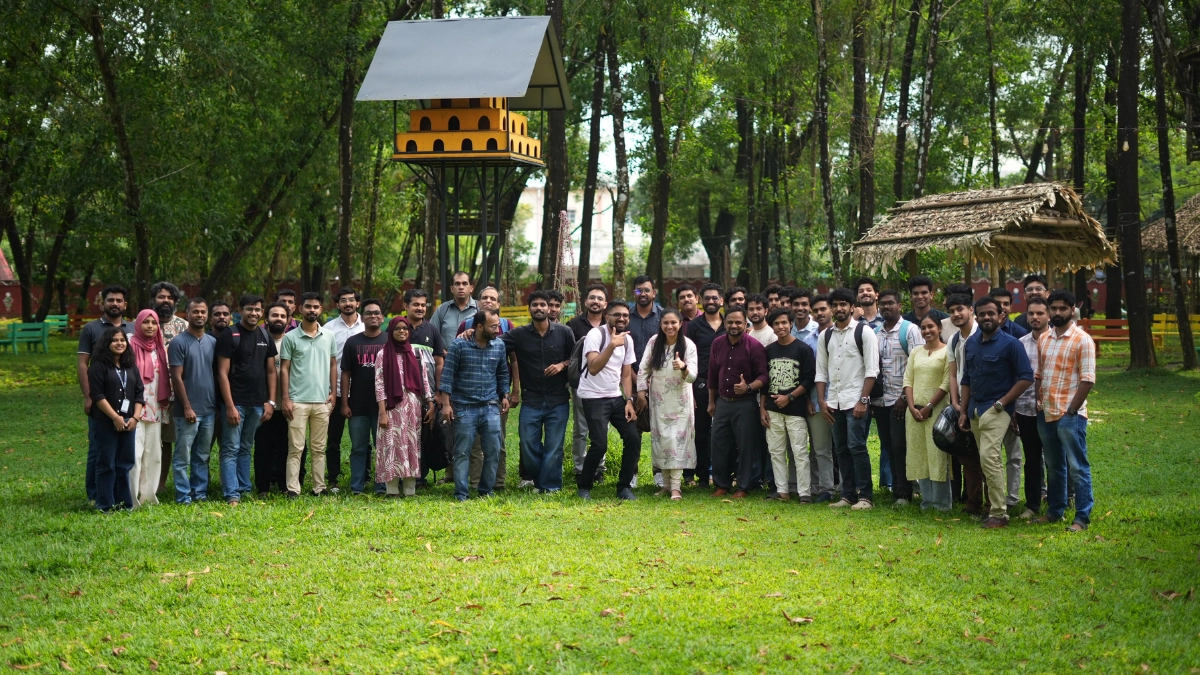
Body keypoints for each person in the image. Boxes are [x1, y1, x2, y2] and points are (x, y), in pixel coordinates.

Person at [958, 296, 1034, 529]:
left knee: (989, 458)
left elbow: (1026, 378)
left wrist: (1002, 403)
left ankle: (999, 514)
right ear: (976, 316)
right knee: (986, 459)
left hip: (997, 409)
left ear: (1001, 316)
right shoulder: (970, 344)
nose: (986, 318)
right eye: (982, 314)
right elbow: (967, 380)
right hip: (975, 410)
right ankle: (992, 509)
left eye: (992, 313)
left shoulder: (1012, 344)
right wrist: (963, 411)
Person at [1035, 290, 1096, 532]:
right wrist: (1039, 400)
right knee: (1054, 465)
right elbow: (1039, 373)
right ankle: (1055, 511)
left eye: (1063, 308)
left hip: (1070, 415)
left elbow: (1088, 379)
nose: (1058, 312)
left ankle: (1082, 517)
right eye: (1054, 308)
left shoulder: (1082, 339)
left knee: (1077, 466)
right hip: (1046, 412)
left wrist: (1071, 410)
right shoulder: (1044, 339)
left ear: (1072, 309)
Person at [504, 291, 576, 492]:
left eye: (543, 305)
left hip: (558, 399)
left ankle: (550, 486)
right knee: (527, 444)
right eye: (534, 304)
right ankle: (540, 479)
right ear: (529, 309)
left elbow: (576, 358)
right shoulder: (519, 335)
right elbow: (494, 343)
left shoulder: (564, 332)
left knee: (554, 447)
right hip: (532, 399)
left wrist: (562, 364)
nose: (539, 308)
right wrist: (470, 333)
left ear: (549, 308)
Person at [816, 287, 879, 510]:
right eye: (836, 305)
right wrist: (822, 401)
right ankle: (848, 495)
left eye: (844, 304)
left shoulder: (864, 332)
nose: (839, 308)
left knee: (857, 447)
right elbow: (821, 372)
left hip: (856, 401)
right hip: (834, 402)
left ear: (853, 307)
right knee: (841, 449)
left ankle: (866, 496)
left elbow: (872, 370)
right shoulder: (826, 336)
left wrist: (863, 400)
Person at [439, 309, 510, 501]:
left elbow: (503, 372)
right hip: (464, 407)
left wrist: (505, 394)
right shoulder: (459, 345)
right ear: (479, 327)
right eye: (493, 326)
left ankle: (486, 490)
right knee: (462, 452)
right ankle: (461, 493)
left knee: (493, 450)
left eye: (498, 325)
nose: (498, 329)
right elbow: (447, 376)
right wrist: (446, 404)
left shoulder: (499, 345)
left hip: (490, 406)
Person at [214, 295, 277, 505]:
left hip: (258, 404)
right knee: (231, 448)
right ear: (240, 310)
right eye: (249, 309)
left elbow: (270, 371)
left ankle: (244, 488)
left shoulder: (265, 335)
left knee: (245, 447)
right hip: (235, 403)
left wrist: (271, 402)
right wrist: (230, 406)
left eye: (258, 310)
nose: (254, 313)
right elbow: (222, 373)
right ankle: (232, 494)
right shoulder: (229, 334)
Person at [77, 285, 136, 503]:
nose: (115, 304)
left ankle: (119, 496)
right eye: (110, 300)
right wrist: (88, 395)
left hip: (126, 402)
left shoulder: (132, 328)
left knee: (122, 454)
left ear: (125, 304)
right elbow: (83, 365)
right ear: (103, 303)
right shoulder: (91, 328)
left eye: (119, 300)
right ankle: (95, 495)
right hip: (100, 400)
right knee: (99, 448)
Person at [576, 302, 639, 500]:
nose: (622, 318)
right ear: (607, 316)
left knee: (633, 438)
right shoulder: (596, 335)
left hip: (615, 397)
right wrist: (611, 345)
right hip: (593, 397)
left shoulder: (627, 340)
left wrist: (628, 400)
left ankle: (624, 487)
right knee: (600, 444)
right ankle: (584, 486)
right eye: (617, 315)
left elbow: (626, 375)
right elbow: (593, 367)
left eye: (625, 315)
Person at [455, 286, 515, 491]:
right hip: (468, 397)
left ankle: (497, 483)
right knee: (474, 445)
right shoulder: (466, 325)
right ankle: (474, 483)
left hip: (496, 394)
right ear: (478, 302)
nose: (488, 301)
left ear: (499, 304)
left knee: (498, 442)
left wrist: (511, 391)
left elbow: (512, 360)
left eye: (493, 298)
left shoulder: (507, 325)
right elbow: (456, 355)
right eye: (484, 298)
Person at [280, 292, 338, 498]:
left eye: (315, 307)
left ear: (320, 309)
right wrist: (286, 398)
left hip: (322, 401)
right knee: (296, 448)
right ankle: (293, 489)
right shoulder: (290, 337)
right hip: (297, 402)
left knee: (319, 448)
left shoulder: (329, 336)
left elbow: (333, 364)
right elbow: (284, 368)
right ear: (300, 309)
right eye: (308, 307)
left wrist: (334, 393)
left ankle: (319, 487)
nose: (312, 310)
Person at [707, 306, 769, 498]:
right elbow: (712, 374)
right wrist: (711, 401)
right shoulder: (717, 343)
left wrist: (749, 387)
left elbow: (764, 376)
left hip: (746, 403)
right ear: (724, 323)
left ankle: (743, 487)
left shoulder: (754, 346)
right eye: (730, 322)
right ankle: (722, 484)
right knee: (718, 444)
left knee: (746, 446)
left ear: (745, 324)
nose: (734, 326)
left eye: (738, 322)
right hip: (722, 402)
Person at [636, 309, 698, 500]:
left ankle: (676, 488)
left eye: (673, 323)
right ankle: (665, 484)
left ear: (680, 324)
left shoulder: (688, 345)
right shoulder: (654, 342)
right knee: (662, 439)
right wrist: (641, 393)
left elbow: (693, 377)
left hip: (680, 402)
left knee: (676, 441)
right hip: (658, 400)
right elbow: (643, 368)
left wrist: (684, 367)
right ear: (661, 324)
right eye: (665, 323)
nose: (669, 327)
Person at [871, 290, 923, 502]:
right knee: (888, 445)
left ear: (900, 305)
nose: (886, 307)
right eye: (882, 304)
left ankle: (904, 493)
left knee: (900, 446)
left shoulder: (910, 330)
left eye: (890, 303)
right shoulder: (875, 333)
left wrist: (904, 397)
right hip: (880, 400)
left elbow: (917, 364)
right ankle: (896, 488)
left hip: (899, 401)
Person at [760, 308, 816, 502]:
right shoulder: (768, 351)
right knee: (776, 451)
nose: (781, 326)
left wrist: (790, 397)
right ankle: (782, 491)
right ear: (772, 327)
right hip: (772, 409)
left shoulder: (803, 349)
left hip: (795, 409)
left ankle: (804, 493)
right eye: (776, 323)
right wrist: (763, 408)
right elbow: (764, 382)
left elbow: (809, 379)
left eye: (784, 322)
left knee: (799, 451)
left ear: (790, 323)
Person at [376, 316, 436, 497]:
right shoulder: (383, 354)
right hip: (391, 408)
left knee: (411, 445)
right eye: (397, 329)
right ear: (391, 331)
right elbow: (379, 384)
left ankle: (410, 489)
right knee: (391, 446)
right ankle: (392, 490)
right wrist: (382, 413)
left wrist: (431, 403)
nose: (402, 331)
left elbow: (425, 381)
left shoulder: (416, 354)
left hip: (413, 408)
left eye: (405, 329)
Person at [88, 327, 144, 512]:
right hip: (105, 421)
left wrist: (135, 417)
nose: (119, 343)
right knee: (107, 462)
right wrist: (115, 418)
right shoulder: (97, 366)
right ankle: (105, 504)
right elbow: (97, 395)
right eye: (114, 340)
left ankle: (124, 503)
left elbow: (139, 394)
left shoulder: (131, 366)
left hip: (129, 422)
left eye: (122, 340)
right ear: (107, 343)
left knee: (125, 462)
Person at [168, 298, 218, 504]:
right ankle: (183, 496)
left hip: (209, 409)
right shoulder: (178, 342)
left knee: (203, 455)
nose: (199, 315)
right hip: (187, 410)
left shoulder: (212, 342)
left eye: (203, 312)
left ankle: (200, 493)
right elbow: (176, 377)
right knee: (182, 457)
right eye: (195, 312)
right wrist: (187, 407)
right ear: (186, 315)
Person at [902, 314, 954, 512]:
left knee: (937, 456)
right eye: (923, 328)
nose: (927, 331)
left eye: (930, 327)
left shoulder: (947, 351)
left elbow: (946, 383)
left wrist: (929, 406)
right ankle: (926, 502)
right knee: (918, 455)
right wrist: (912, 406)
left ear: (939, 329)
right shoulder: (915, 352)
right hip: (914, 412)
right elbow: (908, 380)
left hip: (937, 411)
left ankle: (942, 504)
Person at [340, 299, 389, 495]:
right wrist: (344, 402)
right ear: (363, 317)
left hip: (383, 407)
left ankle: (381, 486)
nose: (373, 316)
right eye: (369, 313)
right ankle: (357, 487)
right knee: (359, 448)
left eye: (377, 313)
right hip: (357, 405)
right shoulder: (353, 342)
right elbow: (346, 373)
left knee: (382, 448)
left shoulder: (389, 341)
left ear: (382, 317)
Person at [945, 291, 985, 514]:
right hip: (960, 404)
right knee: (967, 456)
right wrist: (955, 401)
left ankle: (993, 505)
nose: (956, 314)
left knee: (987, 457)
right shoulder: (953, 339)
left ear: (971, 309)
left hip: (982, 402)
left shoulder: (983, 334)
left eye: (960, 309)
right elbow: (954, 374)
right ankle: (973, 504)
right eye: (951, 311)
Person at [323, 287, 365, 494]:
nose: (347, 303)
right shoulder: (328, 328)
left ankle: (365, 476)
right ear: (337, 304)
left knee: (363, 440)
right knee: (332, 440)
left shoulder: (366, 327)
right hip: (335, 392)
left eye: (351, 300)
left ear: (358, 303)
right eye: (343, 300)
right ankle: (333, 479)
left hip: (361, 394)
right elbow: (325, 361)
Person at [988, 286, 1027, 507]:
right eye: (997, 303)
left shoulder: (1020, 334)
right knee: (990, 455)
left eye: (1005, 303)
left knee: (1013, 455)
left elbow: (1024, 375)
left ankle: (1012, 498)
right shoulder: (980, 334)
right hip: (988, 405)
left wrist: (1013, 406)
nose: (1001, 307)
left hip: (1014, 405)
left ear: (1011, 307)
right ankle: (994, 498)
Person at [684, 283, 725, 487]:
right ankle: (702, 475)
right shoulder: (693, 326)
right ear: (701, 300)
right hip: (700, 385)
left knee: (725, 433)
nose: (711, 301)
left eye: (714, 298)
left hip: (727, 387)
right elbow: (688, 357)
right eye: (707, 298)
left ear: (721, 301)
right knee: (701, 432)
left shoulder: (730, 323)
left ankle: (724, 474)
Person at [404, 288, 446, 487]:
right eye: (416, 304)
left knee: (426, 434)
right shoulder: (397, 328)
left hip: (428, 394)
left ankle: (421, 476)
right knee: (406, 435)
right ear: (406, 306)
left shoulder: (432, 330)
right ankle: (406, 475)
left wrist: (438, 392)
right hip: (403, 394)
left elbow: (439, 362)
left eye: (423, 305)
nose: (420, 308)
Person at [129, 309, 171, 507]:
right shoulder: (130, 345)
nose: (150, 326)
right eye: (145, 322)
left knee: (154, 456)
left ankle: (149, 498)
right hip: (135, 409)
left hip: (155, 408)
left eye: (153, 323)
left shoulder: (159, 347)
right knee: (135, 455)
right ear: (138, 324)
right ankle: (131, 498)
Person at [567, 283, 609, 482]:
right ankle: (580, 469)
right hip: (581, 385)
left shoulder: (611, 326)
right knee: (581, 428)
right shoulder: (574, 325)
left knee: (601, 428)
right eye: (592, 298)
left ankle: (599, 468)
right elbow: (568, 356)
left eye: (600, 298)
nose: (596, 301)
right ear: (585, 301)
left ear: (605, 303)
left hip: (605, 386)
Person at [1014, 297, 1049, 519]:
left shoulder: (1056, 341)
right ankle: (1032, 505)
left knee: (1056, 459)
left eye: (1039, 313)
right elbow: (1015, 377)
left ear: (1048, 316)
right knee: (1032, 458)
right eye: (1031, 314)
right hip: (1025, 410)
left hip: (1051, 410)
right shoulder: (1020, 343)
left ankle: (1058, 502)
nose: (1035, 317)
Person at [254, 303, 292, 495]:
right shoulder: (259, 340)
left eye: (282, 316)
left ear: (288, 320)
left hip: (288, 406)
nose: (278, 319)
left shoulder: (292, 341)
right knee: (263, 447)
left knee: (287, 447)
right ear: (266, 319)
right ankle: (263, 486)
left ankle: (286, 484)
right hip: (264, 405)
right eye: (274, 315)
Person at [803, 294, 836, 502]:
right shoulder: (808, 341)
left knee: (846, 448)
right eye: (816, 310)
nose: (820, 313)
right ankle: (824, 489)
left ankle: (851, 487)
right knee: (820, 448)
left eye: (823, 309)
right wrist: (808, 399)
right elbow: (807, 375)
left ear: (831, 309)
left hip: (844, 400)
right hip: (817, 401)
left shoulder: (846, 335)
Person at [430, 271, 477, 349]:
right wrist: (443, 354)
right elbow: (431, 335)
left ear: (471, 288)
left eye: (465, 283)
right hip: (446, 358)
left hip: (473, 359)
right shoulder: (442, 310)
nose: (461, 287)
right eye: (457, 284)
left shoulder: (479, 309)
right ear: (452, 289)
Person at [627, 275, 662, 366]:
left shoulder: (664, 316)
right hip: (630, 374)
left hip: (659, 373)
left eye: (647, 290)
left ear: (654, 293)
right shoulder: (626, 317)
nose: (642, 294)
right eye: (638, 290)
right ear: (634, 293)